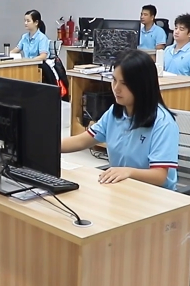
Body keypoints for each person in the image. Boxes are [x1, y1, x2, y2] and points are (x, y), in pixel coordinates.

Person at [61, 50, 179, 188]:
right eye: (114, 80)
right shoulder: (115, 112)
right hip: (122, 189)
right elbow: (81, 141)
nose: (116, 88)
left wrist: (129, 172)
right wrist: (44, 146)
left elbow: (159, 176)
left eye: (124, 83)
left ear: (142, 86)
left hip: (157, 197)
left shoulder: (163, 123)